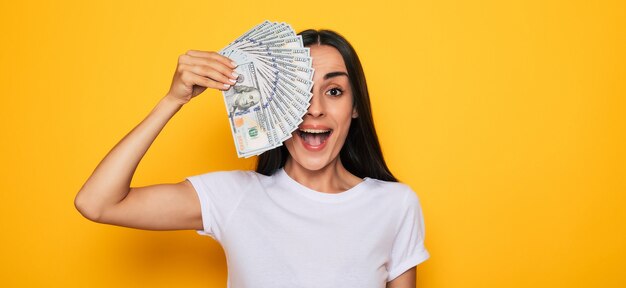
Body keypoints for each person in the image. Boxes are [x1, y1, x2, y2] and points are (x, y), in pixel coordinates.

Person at [75, 29, 430, 288]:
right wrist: (172, 100)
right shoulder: (234, 196)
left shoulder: (395, 205)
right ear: (275, 101)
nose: (316, 109)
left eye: (334, 91)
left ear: (355, 108)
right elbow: (97, 203)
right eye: (301, 91)